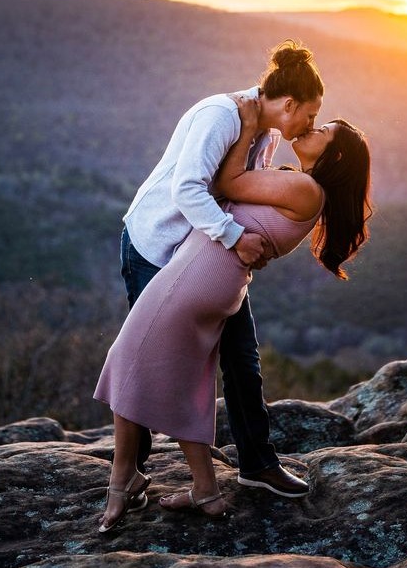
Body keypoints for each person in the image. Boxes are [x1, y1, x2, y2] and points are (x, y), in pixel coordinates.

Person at [94, 98, 372, 530]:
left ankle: (124, 479)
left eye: (321, 130)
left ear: (333, 156)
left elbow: (225, 181)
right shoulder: (301, 187)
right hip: (210, 275)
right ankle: (202, 485)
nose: (310, 129)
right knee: (186, 370)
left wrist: (245, 129)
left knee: (132, 362)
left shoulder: (304, 189)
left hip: (197, 277)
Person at [112, 41, 324, 507]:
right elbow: (189, 189)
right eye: (308, 116)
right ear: (288, 104)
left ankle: (258, 464)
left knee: (242, 357)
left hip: (205, 257)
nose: (309, 125)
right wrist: (234, 236)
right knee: (153, 357)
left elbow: (241, 194)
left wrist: (255, 239)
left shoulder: (262, 133)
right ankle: (133, 472)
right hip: (157, 247)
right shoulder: (220, 116)